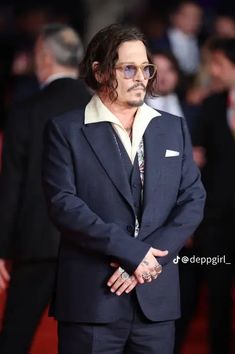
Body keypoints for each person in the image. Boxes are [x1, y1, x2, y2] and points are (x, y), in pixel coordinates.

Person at [42, 23, 206, 354]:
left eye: (146, 68)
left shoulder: (172, 127)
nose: (141, 77)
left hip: (155, 300)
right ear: (100, 71)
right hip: (92, 300)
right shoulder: (67, 130)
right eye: (128, 68)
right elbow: (64, 204)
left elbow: (192, 198)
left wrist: (150, 260)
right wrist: (132, 254)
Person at [0, 23, 90, 354]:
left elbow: (12, 183)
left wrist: (2, 250)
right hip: (91, 244)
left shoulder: (26, 110)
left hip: (36, 242)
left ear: (44, 57)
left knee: (15, 336)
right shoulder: (101, 109)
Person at [192, 37, 235, 354]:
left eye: (219, 64)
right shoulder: (209, 106)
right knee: (217, 301)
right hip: (217, 223)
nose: (213, 71)